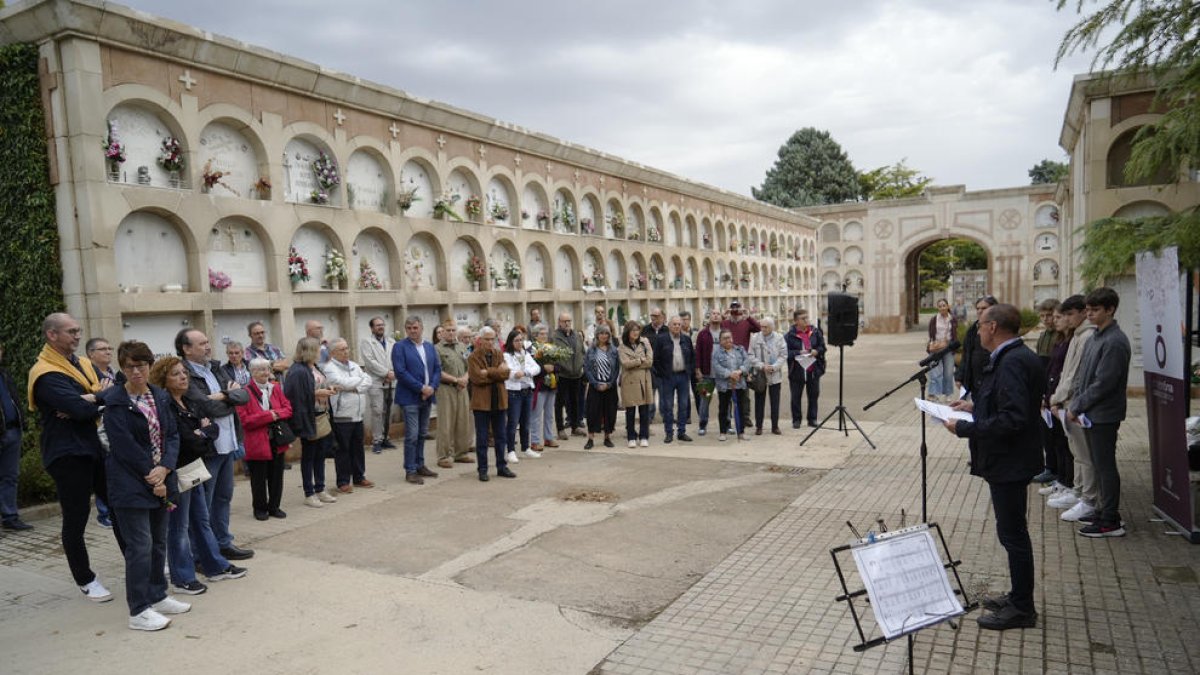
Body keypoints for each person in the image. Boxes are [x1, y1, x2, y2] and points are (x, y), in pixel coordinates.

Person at [943, 303, 1044, 630]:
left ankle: (1023, 608)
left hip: (1010, 461)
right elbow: (1008, 403)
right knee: (1011, 532)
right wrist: (974, 406)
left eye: (980, 324)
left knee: (1013, 535)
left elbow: (1013, 418)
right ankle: (1018, 596)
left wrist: (966, 427)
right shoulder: (1016, 356)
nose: (977, 330)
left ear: (993, 327)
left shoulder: (1012, 361)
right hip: (1011, 459)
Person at [28, 313, 121, 601]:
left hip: (94, 446)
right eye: (71, 331)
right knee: (76, 519)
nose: (78, 336)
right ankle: (86, 579)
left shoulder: (82, 364)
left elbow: (115, 392)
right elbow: (81, 410)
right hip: (67, 454)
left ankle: (142, 560)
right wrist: (97, 397)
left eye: (78, 330)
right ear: (52, 335)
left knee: (120, 506)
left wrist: (90, 399)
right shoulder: (44, 372)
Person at [99, 340, 190, 631]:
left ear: (150, 365)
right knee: (140, 546)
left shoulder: (160, 396)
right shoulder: (114, 402)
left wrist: (165, 468)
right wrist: (153, 475)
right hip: (130, 483)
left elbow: (172, 435)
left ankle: (157, 594)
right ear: (122, 369)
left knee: (159, 542)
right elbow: (124, 447)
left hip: (160, 478)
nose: (135, 372)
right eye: (129, 367)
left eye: (140, 365)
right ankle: (138, 610)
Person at [149, 355, 246, 595]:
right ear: (164, 379)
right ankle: (182, 577)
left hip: (193, 468)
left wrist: (202, 433)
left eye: (184, 373)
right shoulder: (165, 405)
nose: (183, 377)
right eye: (176, 374)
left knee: (201, 520)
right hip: (176, 472)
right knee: (179, 527)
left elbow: (211, 429)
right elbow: (185, 440)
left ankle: (215, 566)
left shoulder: (189, 401)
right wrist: (201, 433)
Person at [175, 328, 253, 561]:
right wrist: (229, 397)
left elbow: (245, 396)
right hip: (206, 449)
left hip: (227, 445)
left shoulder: (216, 367)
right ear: (186, 349)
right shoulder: (184, 373)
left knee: (223, 498)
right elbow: (204, 407)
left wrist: (223, 396)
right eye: (202, 344)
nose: (208, 347)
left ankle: (222, 542)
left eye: (208, 342)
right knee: (202, 506)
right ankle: (200, 553)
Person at [1068, 287, 1132, 538]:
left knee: (1105, 466)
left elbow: (1104, 383)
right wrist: (1076, 401)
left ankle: (1110, 519)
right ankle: (1103, 509)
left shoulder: (1115, 341)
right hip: (1089, 413)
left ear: (1110, 310)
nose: (1090, 314)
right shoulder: (1096, 337)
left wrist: (1077, 405)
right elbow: (1083, 374)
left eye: (1095, 310)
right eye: (1088, 310)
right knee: (1096, 463)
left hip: (1104, 414)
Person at [1049, 295, 1099, 523]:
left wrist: (1058, 397)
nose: (1066, 319)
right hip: (1067, 402)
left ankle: (1088, 498)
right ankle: (1078, 491)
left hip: (1077, 404)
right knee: (1077, 453)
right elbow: (1065, 373)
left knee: (1085, 455)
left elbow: (1075, 375)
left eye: (1069, 314)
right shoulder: (1077, 335)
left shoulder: (1087, 336)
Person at [284, 337, 339, 506]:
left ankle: (320, 489)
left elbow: (316, 385)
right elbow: (293, 397)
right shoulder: (297, 370)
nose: (320, 353)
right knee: (309, 456)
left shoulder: (313, 367)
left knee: (320, 455)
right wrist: (317, 394)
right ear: (309, 351)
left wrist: (328, 390)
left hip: (322, 415)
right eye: (317, 350)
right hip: (308, 418)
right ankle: (309, 493)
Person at [237, 358, 292, 521]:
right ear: (252, 372)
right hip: (257, 441)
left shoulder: (275, 388)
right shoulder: (244, 392)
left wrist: (274, 414)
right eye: (260, 370)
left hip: (276, 438)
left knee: (277, 475)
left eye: (267, 369)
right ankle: (260, 508)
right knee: (258, 477)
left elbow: (288, 409)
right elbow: (245, 419)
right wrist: (269, 415)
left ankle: (274, 506)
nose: (265, 373)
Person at [392, 316, 440, 485]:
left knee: (422, 433)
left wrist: (432, 387)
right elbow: (401, 372)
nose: (413, 331)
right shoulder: (400, 347)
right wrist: (421, 388)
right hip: (410, 397)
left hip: (427, 396)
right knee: (412, 435)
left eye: (415, 327)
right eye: (409, 328)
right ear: (406, 330)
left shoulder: (429, 346)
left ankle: (420, 464)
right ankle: (410, 470)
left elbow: (437, 369)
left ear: (422, 328)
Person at [321, 338, 374, 493]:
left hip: (358, 413)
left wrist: (354, 387)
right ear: (332, 353)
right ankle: (343, 481)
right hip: (342, 415)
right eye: (341, 349)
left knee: (358, 447)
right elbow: (340, 382)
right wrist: (357, 382)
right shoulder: (329, 368)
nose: (346, 352)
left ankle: (359, 477)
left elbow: (368, 380)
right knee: (343, 449)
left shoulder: (354, 365)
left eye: (347, 348)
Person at [1040, 303, 1077, 513]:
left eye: (1059, 316)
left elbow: (1068, 374)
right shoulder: (1060, 340)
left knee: (1066, 445)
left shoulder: (1073, 340)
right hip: (1053, 397)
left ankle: (1070, 484)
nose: (1055, 320)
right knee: (1056, 442)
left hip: (1062, 400)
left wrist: (1056, 398)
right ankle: (1062, 480)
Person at [468, 327, 515, 481]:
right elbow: (476, 378)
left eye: (492, 339)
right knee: (482, 438)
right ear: (480, 340)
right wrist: (497, 373)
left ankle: (502, 466)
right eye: (486, 339)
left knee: (501, 436)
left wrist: (487, 372)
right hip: (482, 403)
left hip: (499, 400)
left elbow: (506, 373)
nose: (489, 342)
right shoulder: (473, 357)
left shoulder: (498, 353)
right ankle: (482, 469)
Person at [85, 337, 116, 528]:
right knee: (102, 470)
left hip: (114, 427)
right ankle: (104, 514)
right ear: (91, 354)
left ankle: (113, 510)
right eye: (103, 349)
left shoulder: (115, 374)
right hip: (96, 427)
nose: (108, 352)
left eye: (109, 348)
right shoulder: (89, 375)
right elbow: (89, 400)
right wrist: (101, 395)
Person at [0, 342, 31, 531]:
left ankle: (10, 517)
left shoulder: (4, 375)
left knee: (10, 476)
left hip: (12, 431)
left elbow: (14, 400)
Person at [435, 326, 475, 469]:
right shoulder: (437, 349)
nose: (451, 333)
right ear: (442, 333)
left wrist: (465, 379)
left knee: (463, 421)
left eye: (453, 330)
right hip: (446, 388)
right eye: (448, 330)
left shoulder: (462, 347)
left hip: (462, 388)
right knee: (446, 423)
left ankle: (461, 453)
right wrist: (456, 380)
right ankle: (444, 456)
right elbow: (437, 371)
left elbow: (469, 366)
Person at [1032, 299, 1062, 483]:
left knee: (1056, 436)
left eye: (1049, 316)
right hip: (1044, 386)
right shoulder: (1044, 335)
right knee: (1045, 433)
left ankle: (1057, 470)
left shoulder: (1060, 337)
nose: (1046, 319)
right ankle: (1049, 466)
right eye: (1042, 316)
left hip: (1055, 388)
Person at [359, 315, 397, 454]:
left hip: (391, 380)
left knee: (389, 411)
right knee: (377, 411)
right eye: (377, 325)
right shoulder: (366, 342)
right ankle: (377, 440)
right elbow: (370, 362)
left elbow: (396, 359)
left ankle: (386, 438)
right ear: (372, 328)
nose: (381, 327)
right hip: (376, 381)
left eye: (382, 324)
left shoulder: (392, 342)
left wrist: (392, 374)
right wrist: (386, 373)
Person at [653, 315, 694, 443]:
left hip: (683, 376)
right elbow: (656, 359)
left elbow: (692, 358)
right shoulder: (661, 339)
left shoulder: (686, 340)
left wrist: (690, 372)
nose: (677, 326)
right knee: (668, 406)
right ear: (669, 326)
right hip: (668, 377)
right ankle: (669, 433)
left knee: (683, 405)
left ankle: (682, 432)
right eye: (674, 324)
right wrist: (662, 374)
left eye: (679, 324)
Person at [503, 328, 540, 462]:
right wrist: (521, 373)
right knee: (513, 422)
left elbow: (537, 368)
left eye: (521, 340)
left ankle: (526, 448)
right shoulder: (506, 355)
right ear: (511, 342)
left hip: (527, 391)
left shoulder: (525, 354)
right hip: (514, 393)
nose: (519, 343)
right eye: (516, 340)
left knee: (526, 422)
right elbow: (511, 373)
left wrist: (525, 373)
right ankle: (510, 450)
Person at [784, 309, 826, 429]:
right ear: (796, 321)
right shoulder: (789, 336)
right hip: (797, 370)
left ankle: (812, 419)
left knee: (813, 395)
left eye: (807, 317)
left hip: (813, 369)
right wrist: (798, 352)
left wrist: (816, 351)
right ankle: (796, 420)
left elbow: (822, 347)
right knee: (796, 397)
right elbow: (785, 353)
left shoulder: (815, 332)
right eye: (803, 318)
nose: (806, 320)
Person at [721, 301, 760, 430]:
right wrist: (722, 316)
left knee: (744, 392)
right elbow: (717, 329)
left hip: (743, 360)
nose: (735, 312)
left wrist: (748, 316)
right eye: (733, 309)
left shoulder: (746, 322)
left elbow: (759, 328)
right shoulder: (725, 323)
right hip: (727, 359)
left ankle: (746, 416)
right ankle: (728, 419)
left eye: (737, 309)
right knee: (728, 390)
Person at [583, 324, 620, 449]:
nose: (604, 336)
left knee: (610, 412)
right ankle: (590, 438)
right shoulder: (591, 350)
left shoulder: (614, 350)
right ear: (597, 335)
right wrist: (595, 383)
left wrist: (609, 384)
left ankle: (607, 437)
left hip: (610, 386)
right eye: (601, 333)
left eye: (606, 333)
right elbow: (587, 368)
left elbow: (616, 370)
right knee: (592, 412)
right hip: (595, 385)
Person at [749, 317, 787, 435]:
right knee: (759, 401)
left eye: (765, 327)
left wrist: (774, 366)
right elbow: (750, 355)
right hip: (760, 374)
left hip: (774, 373)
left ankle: (775, 426)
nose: (763, 329)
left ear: (772, 327)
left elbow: (783, 355)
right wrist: (761, 366)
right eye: (761, 326)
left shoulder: (779, 338)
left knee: (775, 401)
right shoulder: (755, 338)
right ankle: (759, 426)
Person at [712, 329, 752, 442]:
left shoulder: (740, 349)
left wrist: (739, 372)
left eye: (729, 337)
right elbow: (716, 367)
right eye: (724, 338)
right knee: (723, 409)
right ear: (720, 341)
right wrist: (730, 374)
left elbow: (747, 362)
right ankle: (723, 432)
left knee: (740, 408)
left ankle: (741, 432)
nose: (728, 340)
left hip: (739, 384)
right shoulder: (716, 353)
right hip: (724, 385)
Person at [618, 320, 653, 447]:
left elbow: (649, 361)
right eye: (633, 330)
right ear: (627, 332)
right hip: (629, 382)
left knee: (644, 410)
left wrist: (635, 362)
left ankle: (644, 436)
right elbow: (625, 364)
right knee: (630, 411)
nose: (635, 333)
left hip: (643, 380)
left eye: (637, 330)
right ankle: (631, 437)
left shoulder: (644, 343)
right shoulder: (622, 346)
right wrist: (639, 360)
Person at [957, 295, 997, 399]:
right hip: (974, 380)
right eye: (978, 308)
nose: (980, 311)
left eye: (984, 308)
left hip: (990, 381)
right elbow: (966, 354)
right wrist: (960, 376)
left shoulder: (998, 329)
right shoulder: (972, 330)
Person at [552, 313, 585, 439]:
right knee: (560, 402)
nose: (567, 323)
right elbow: (551, 354)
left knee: (575, 401)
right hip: (562, 374)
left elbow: (582, 352)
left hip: (576, 374)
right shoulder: (554, 337)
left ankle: (575, 426)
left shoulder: (576, 335)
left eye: (569, 321)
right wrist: (558, 367)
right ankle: (560, 429)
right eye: (564, 321)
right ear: (559, 322)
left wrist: (581, 366)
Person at [692, 310, 722, 435]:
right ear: (709, 318)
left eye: (718, 313)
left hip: (722, 374)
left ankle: (727, 424)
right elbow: (697, 353)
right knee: (704, 400)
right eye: (713, 314)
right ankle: (702, 425)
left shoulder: (725, 333)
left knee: (726, 400)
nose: (715, 315)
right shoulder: (703, 334)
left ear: (721, 317)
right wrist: (697, 369)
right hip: (706, 374)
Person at [530, 325, 559, 452]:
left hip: (551, 385)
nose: (544, 336)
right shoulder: (531, 349)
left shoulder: (551, 348)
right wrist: (543, 369)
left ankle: (548, 437)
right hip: (539, 385)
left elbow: (559, 365)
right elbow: (530, 366)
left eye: (545, 333)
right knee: (536, 414)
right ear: (535, 335)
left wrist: (553, 368)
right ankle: (535, 441)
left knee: (549, 414)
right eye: (541, 334)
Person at [925, 299, 958, 402]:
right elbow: (931, 334)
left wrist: (952, 345)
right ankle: (933, 394)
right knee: (935, 372)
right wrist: (932, 344)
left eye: (944, 305)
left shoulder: (952, 319)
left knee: (948, 372)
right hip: (936, 349)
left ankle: (948, 394)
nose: (942, 307)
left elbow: (955, 334)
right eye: (940, 306)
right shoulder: (934, 319)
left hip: (948, 348)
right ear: (938, 308)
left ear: (948, 306)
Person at [642, 307, 669, 422]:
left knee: (664, 393)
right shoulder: (645, 330)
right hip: (650, 367)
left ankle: (665, 415)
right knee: (650, 392)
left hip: (663, 367)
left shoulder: (667, 330)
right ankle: (649, 415)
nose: (653, 318)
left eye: (656, 316)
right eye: (652, 316)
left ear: (662, 317)